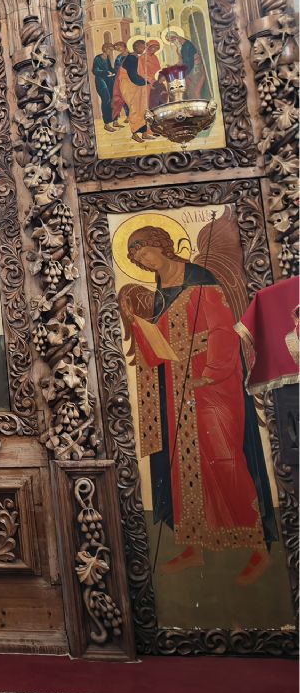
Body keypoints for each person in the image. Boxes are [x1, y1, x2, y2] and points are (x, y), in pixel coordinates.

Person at [118, 225, 276, 585]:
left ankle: (258, 546)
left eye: (144, 251)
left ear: (161, 245)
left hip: (213, 387)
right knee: (183, 467)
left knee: (225, 460)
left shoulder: (201, 279)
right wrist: (144, 331)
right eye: (136, 258)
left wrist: (209, 374)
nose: (143, 260)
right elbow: (165, 338)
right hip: (177, 390)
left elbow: (223, 332)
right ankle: (194, 546)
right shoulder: (161, 291)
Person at [166, 28, 209, 100]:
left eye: (173, 39)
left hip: (195, 70)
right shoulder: (180, 48)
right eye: (171, 41)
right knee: (190, 92)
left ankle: (199, 105)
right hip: (189, 71)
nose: (173, 42)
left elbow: (189, 62)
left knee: (195, 92)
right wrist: (172, 67)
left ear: (176, 36)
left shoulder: (187, 45)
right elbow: (181, 62)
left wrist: (186, 75)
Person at [92, 40, 120, 131]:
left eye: (111, 50)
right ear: (104, 49)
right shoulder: (97, 58)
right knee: (106, 100)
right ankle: (106, 124)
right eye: (109, 49)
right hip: (101, 81)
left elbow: (110, 68)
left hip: (109, 80)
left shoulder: (107, 57)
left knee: (113, 99)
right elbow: (95, 70)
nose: (110, 52)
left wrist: (116, 72)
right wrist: (106, 72)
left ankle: (115, 121)